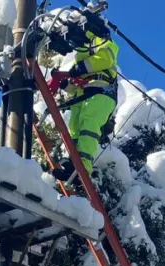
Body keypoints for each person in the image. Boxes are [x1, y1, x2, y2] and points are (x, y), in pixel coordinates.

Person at [46, 10, 119, 182]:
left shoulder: (103, 40)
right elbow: (80, 85)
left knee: (89, 124)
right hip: (86, 93)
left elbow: (105, 59)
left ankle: (83, 165)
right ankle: (73, 163)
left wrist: (82, 68)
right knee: (75, 127)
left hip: (102, 91)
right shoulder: (82, 50)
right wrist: (67, 85)